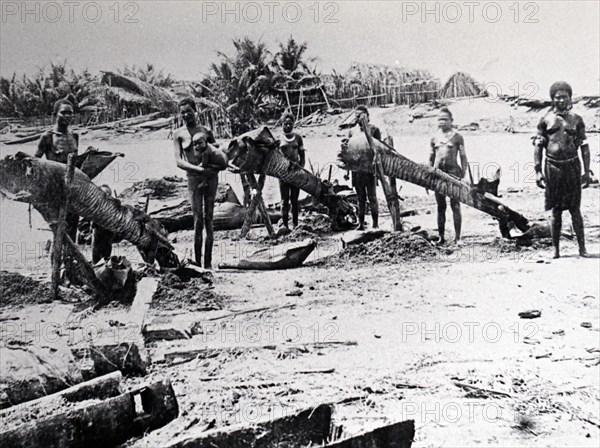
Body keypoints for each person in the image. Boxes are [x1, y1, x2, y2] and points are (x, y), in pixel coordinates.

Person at [534, 81, 590, 258]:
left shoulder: (577, 119)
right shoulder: (545, 120)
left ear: (570, 98)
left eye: (564, 96)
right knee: (556, 211)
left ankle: (582, 249)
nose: (560, 100)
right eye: (557, 97)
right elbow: (538, 147)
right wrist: (537, 171)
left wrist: (587, 172)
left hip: (572, 167)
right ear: (552, 99)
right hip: (552, 168)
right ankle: (556, 250)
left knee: (575, 210)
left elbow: (585, 147)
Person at [173, 98, 227, 269]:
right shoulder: (178, 134)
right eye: (183, 112)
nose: (186, 115)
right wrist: (198, 170)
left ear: (195, 111)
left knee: (210, 219)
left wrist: (211, 168)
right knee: (197, 220)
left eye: (189, 111)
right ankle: (197, 263)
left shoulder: (206, 130)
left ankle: (208, 263)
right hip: (193, 179)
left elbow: (216, 152)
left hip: (210, 178)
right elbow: (179, 161)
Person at [35, 99, 79, 242]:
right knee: (58, 225)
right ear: (55, 115)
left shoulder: (75, 136)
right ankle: (57, 258)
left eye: (70, 113)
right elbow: (36, 162)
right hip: (54, 188)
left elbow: (75, 163)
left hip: (72, 187)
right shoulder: (47, 137)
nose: (68, 116)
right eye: (64, 113)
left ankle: (71, 260)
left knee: (73, 223)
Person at [429, 107, 468, 244]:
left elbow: (463, 157)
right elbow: (431, 158)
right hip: (438, 174)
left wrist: (464, 176)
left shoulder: (457, 137)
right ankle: (441, 237)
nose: (442, 122)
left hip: (453, 173)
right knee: (440, 206)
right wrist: (429, 176)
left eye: (445, 119)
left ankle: (458, 238)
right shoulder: (434, 138)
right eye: (439, 119)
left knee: (455, 205)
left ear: (451, 121)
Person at [346, 105, 381, 230]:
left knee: (372, 196)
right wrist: (347, 171)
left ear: (367, 116)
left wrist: (377, 168)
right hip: (357, 170)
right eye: (356, 115)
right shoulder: (351, 132)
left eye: (361, 115)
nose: (358, 118)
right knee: (360, 198)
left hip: (369, 169)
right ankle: (361, 224)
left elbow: (379, 150)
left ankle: (375, 224)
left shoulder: (374, 130)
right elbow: (348, 153)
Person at [278, 113, 305, 228]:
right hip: (283, 173)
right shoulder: (278, 138)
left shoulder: (298, 138)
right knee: (284, 201)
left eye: (290, 124)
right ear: (282, 124)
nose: (288, 126)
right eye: (285, 124)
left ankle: (295, 224)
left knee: (294, 199)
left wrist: (301, 168)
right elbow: (275, 156)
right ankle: (285, 225)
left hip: (295, 171)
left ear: (294, 124)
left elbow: (302, 155)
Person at [91, 185, 116, 264]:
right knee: (96, 255)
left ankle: (104, 269)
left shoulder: (113, 206)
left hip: (108, 234)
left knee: (106, 255)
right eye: (104, 193)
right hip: (98, 233)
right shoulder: (96, 205)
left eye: (108, 193)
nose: (107, 195)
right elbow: (92, 223)